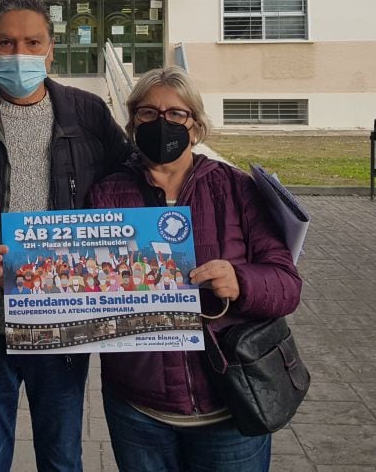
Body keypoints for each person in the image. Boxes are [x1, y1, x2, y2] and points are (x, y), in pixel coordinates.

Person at [0, 0, 132, 472]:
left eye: (32, 42)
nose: (18, 53)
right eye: (6, 42)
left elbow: (129, 184)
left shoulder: (87, 114)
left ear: (51, 49)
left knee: (62, 457)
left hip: (62, 324)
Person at [89, 66, 302, 472]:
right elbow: (83, 285)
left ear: (196, 124)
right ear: (133, 121)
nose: (161, 122)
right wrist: (19, 274)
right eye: (148, 113)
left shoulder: (236, 188)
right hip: (138, 408)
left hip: (230, 405)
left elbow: (287, 285)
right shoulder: (107, 193)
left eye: (176, 114)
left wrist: (240, 281)